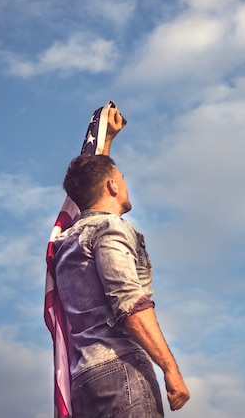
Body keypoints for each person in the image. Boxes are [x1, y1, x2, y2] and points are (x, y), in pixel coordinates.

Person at [53, 150, 190, 417]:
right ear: (113, 185)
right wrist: (170, 369)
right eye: (122, 178)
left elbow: (88, 175)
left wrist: (106, 140)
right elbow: (130, 305)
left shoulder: (66, 242)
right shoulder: (109, 228)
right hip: (121, 369)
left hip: (83, 380)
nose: (125, 184)